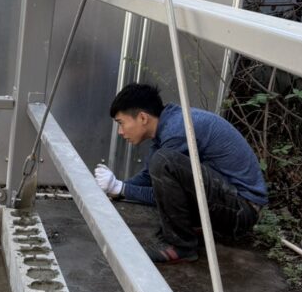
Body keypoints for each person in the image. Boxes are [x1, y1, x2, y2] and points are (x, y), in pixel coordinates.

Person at [94, 83, 267, 264]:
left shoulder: (177, 131)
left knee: (163, 161)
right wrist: (116, 187)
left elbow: (162, 194)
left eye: (121, 123)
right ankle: (192, 231)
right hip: (230, 201)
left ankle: (181, 247)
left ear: (143, 117)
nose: (120, 132)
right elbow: (148, 177)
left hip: (242, 210)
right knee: (161, 161)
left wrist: (121, 188)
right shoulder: (168, 126)